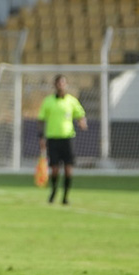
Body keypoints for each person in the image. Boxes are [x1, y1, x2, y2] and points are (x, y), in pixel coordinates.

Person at [36, 75, 88, 206]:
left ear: (66, 84)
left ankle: (65, 196)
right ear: (55, 85)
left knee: (68, 168)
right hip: (53, 139)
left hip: (67, 138)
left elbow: (80, 114)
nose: (60, 85)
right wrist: (41, 136)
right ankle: (53, 192)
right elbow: (41, 119)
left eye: (63, 83)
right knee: (54, 169)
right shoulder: (48, 101)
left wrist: (82, 122)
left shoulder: (71, 101)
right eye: (58, 83)